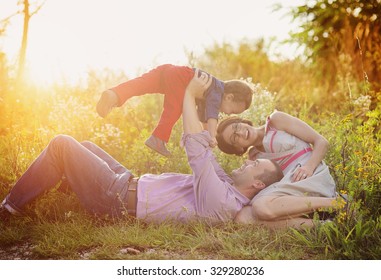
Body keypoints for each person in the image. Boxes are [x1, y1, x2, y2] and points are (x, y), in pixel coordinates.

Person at [0, 71, 282, 225]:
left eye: (253, 165)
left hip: (118, 200)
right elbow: (205, 148)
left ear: (257, 183)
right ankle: (63, 191)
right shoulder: (227, 185)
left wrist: (190, 94)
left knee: (62, 145)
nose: (245, 162)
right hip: (130, 183)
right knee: (85, 146)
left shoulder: (222, 199)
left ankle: (9, 208)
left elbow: (196, 150)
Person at [216, 111, 340, 228]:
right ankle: (325, 225)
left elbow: (321, 142)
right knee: (243, 217)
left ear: (243, 121)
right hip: (290, 190)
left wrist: (309, 167)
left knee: (261, 207)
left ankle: (336, 203)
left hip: (311, 174)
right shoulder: (255, 158)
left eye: (237, 127)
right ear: (238, 149)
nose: (241, 133)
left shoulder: (276, 121)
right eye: (235, 138)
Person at [96, 64, 253, 157]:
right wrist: (212, 137)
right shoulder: (216, 91)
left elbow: (203, 119)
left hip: (168, 70)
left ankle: (114, 94)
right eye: (232, 111)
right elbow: (212, 117)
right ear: (229, 98)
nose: (228, 114)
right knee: (174, 108)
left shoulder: (209, 92)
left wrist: (204, 139)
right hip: (179, 78)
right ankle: (158, 139)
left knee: (141, 85)